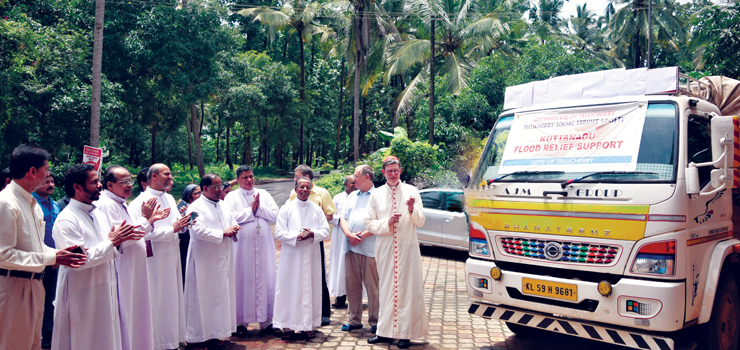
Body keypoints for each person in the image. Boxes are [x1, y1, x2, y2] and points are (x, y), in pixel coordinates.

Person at [0, 144, 86, 350]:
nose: (48, 175)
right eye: (46, 170)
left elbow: (37, 247)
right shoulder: (6, 203)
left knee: (32, 344)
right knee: (13, 344)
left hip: (34, 284)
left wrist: (59, 253)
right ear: (32, 172)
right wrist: (52, 258)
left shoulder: (32, 204)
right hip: (12, 285)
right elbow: (3, 255)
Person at [52, 164, 144, 350]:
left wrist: (116, 241)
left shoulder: (98, 215)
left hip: (105, 287)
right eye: (94, 182)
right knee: (83, 340)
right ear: (77, 187)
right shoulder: (66, 220)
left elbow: (109, 248)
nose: (100, 185)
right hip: (82, 293)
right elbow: (79, 260)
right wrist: (112, 242)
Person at [95, 165, 168, 350]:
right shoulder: (106, 204)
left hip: (134, 267)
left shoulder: (119, 202)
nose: (129, 185)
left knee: (137, 312)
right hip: (123, 267)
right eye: (123, 182)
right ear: (109, 185)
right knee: (126, 314)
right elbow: (121, 237)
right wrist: (147, 220)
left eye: (130, 180)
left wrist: (149, 220)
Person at [364, 156, 427, 349]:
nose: (392, 174)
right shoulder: (376, 194)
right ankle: (384, 332)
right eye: (389, 171)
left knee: (407, 291)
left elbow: (421, 220)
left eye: (395, 170)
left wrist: (410, 209)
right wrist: (387, 222)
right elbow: (369, 223)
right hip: (385, 249)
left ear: (401, 171)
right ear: (383, 173)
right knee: (386, 290)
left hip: (407, 249)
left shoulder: (412, 191)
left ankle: (405, 334)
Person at [129, 164, 191, 350]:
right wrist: (172, 229)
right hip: (154, 259)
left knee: (172, 298)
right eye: (167, 174)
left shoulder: (170, 198)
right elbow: (143, 233)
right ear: (154, 176)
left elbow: (175, 225)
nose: (170, 177)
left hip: (171, 254)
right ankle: (156, 342)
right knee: (156, 299)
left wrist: (184, 224)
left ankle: (171, 339)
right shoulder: (140, 202)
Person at [184, 173, 240, 348]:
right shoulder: (193, 208)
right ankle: (198, 335)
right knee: (202, 296)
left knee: (220, 296)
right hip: (203, 260)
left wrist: (234, 228)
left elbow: (233, 222)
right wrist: (222, 233)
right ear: (205, 189)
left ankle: (217, 333)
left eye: (220, 187)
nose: (219, 190)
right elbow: (195, 230)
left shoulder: (224, 205)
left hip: (223, 257)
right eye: (215, 187)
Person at [224, 165, 279, 336]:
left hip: (263, 245)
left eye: (251, 176)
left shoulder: (265, 194)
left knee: (266, 278)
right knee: (241, 278)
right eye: (245, 177)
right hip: (241, 246)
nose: (249, 180)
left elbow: (276, 215)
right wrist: (251, 210)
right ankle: (240, 322)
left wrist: (259, 208)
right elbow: (230, 218)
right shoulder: (231, 197)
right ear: (238, 180)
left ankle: (267, 321)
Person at [274, 177, 330, 340]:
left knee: (310, 288)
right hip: (291, 256)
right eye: (301, 187)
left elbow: (325, 230)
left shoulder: (316, 209)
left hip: (311, 255)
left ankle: (308, 325)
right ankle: (288, 326)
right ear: (295, 188)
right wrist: (296, 236)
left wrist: (313, 234)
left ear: (311, 189)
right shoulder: (286, 208)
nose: (304, 190)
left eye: (307, 187)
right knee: (289, 288)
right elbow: (279, 232)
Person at [287, 164, 336, 325]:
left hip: (314, 239)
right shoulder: (293, 192)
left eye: (297, 175)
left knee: (318, 275)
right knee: (297, 275)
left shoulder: (322, 193)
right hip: (296, 240)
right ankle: (299, 311)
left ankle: (323, 312)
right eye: (296, 179)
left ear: (307, 177)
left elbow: (330, 214)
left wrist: (316, 218)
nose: (295, 180)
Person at [339, 165, 379, 334]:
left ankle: (376, 321)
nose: (353, 179)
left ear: (367, 177)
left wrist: (361, 236)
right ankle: (354, 320)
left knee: (373, 288)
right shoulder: (353, 195)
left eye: (356, 176)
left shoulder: (379, 195)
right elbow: (343, 217)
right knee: (352, 287)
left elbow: (381, 223)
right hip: (351, 248)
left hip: (370, 248)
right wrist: (349, 234)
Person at [32, 173, 62, 349]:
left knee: (51, 299)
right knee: (38, 301)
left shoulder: (56, 205)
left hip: (55, 260)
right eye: (46, 182)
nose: (50, 185)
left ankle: (49, 337)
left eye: (52, 181)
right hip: (37, 261)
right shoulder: (31, 204)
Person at [328, 175, 356, 309]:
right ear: (345, 184)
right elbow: (330, 215)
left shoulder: (359, 197)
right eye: (352, 183)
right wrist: (341, 219)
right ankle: (340, 296)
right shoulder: (338, 198)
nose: (354, 185)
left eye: (356, 182)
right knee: (340, 264)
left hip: (356, 235)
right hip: (340, 235)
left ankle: (355, 297)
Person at [176, 184, 201, 283]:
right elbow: (184, 229)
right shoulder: (183, 208)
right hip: (187, 244)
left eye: (201, 192)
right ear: (189, 196)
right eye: (197, 193)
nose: (200, 195)